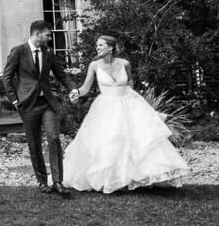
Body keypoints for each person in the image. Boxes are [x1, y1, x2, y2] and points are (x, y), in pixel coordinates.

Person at [63, 34, 190, 193]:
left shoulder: (125, 63)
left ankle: (134, 177)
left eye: (101, 45)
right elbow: (85, 88)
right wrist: (76, 93)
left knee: (135, 141)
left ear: (111, 47)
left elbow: (130, 82)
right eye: (97, 45)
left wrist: (133, 100)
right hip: (105, 108)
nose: (98, 48)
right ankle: (110, 179)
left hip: (127, 104)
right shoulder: (94, 65)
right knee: (108, 142)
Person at [3, 20, 75, 196]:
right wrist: (14, 100)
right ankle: (42, 182)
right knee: (34, 144)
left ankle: (57, 181)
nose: (50, 38)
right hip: (28, 104)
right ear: (37, 34)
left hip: (47, 104)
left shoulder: (49, 53)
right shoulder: (18, 51)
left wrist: (72, 89)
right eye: (47, 35)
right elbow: (7, 77)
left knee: (54, 138)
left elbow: (62, 75)